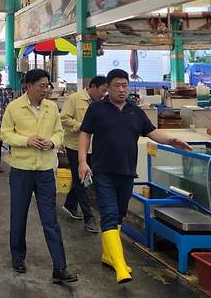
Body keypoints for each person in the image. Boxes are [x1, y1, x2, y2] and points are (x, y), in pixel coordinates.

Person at [78, 69, 191, 284]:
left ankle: (108, 256)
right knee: (109, 213)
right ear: (108, 88)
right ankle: (121, 266)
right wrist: (83, 161)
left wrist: (170, 140)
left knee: (119, 214)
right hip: (103, 171)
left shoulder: (135, 111)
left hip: (127, 172)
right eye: (117, 86)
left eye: (124, 85)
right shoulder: (96, 109)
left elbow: (151, 131)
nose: (122, 90)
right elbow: (85, 133)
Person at [1, 69, 77, 284]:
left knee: (50, 219)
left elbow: (59, 132)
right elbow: (5, 133)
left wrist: (52, 142)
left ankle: (59, 268)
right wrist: (27, 140)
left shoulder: (51, 107)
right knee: (19, 215)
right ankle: (18, 257)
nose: (46, 89)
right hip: (22, 170)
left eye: (47, 86)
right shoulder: (14, 107)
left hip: (45, 170)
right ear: (29, 86)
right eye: (42, 86)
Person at [60, 76, 107, 233]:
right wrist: (82, 126)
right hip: (75, 146)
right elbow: (64, 118)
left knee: (85, 178)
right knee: (82, 179)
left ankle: (70, 203)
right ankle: (89, 217)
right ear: (93, 87)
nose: (104, 94)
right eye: (102, 90)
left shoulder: (102, 103)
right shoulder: (75, 99)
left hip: (93, 147)